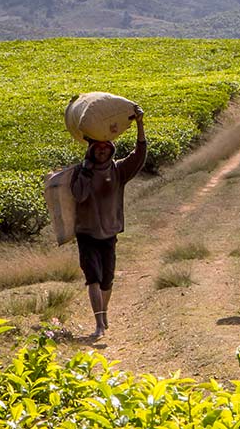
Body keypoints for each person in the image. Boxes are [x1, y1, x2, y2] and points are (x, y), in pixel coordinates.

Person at [70, 105, 146, 338]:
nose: (102, 151)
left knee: (107, 280)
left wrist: (140, 124)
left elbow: (140, 155)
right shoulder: (81, 172)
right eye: (97, 148)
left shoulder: (119, 170)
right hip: (86, 234)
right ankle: (99, 323)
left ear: (110, 149)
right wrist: (85, 171)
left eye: (105, 147)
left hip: (109, 233)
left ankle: (104, 314)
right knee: (92, 277)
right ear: (91, 150)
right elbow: (78, 195)